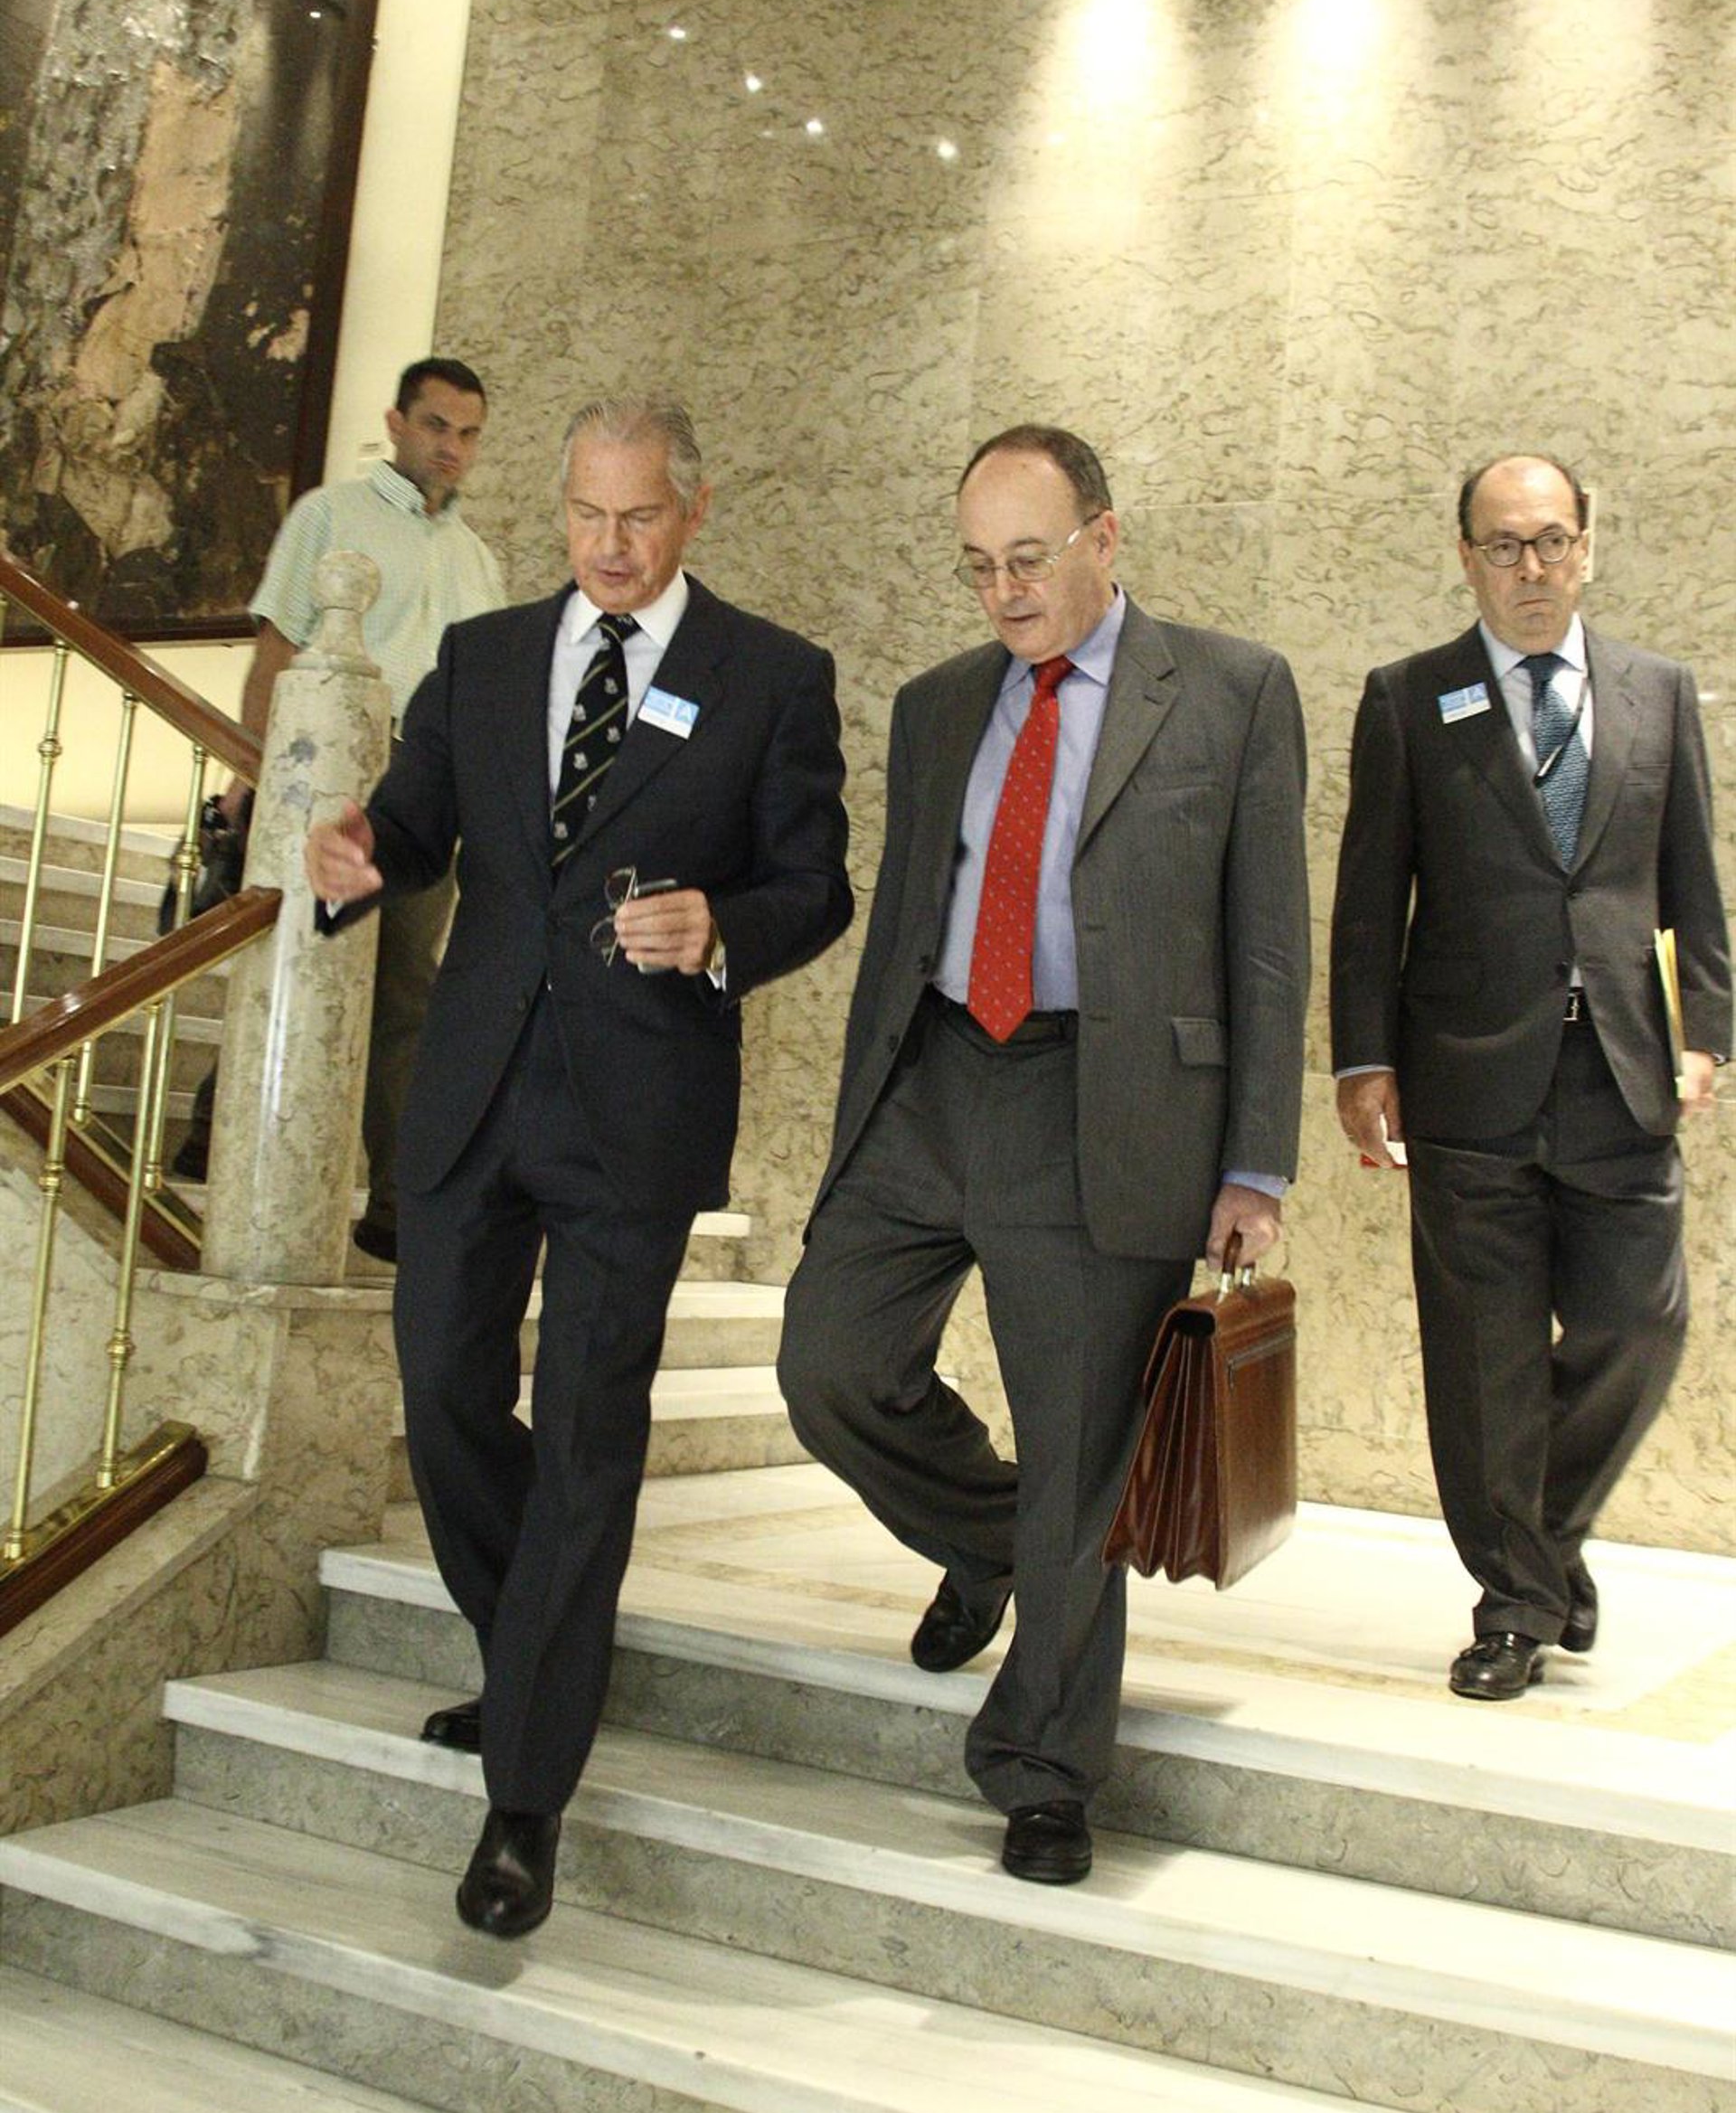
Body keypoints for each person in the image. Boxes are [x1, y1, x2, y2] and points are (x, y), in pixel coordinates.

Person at [307, 397, 852, 1936]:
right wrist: (361, 855)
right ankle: (534, 1651)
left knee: (591, 1429)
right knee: (441, 1391)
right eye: (585, 515)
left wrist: (725, 926)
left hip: (637, 1108)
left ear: (694, 509)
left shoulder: (772, 675)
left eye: (640, 517)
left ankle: (525, 1795)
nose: (609, 547)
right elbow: (415, 826)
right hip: (472, 1094)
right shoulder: (483, 657)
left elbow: (816, 882)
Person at [778, 425, 1308, 1886]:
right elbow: (906, 919)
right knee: (828, 1364)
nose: (1004, 591)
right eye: (978, 566)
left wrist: (1256, 1163)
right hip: (933, 1079)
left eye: (1028, 558)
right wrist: (862, 1104)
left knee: (1081, 1447)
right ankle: (998, 1540)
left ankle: (1045, 1769)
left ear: (1103, 537)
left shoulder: (1234, 689)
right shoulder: (937, 704)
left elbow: (1269, 942)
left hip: (1107, 1101)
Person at [1330, 453, 1730, 1701]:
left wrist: (1709, 1026)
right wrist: (1363, 1056)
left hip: (1621, 1064)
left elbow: (1693, 876)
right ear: (1466, 557)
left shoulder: (1658, 691)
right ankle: (1514, 1602)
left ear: (1588, 545)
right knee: (1483, 1356)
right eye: (1503, 544)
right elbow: (1368, 897)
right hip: (1464, 1074)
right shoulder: (1409, 698)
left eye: (1551, 539)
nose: (1531, 566)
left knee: (1640, 1323)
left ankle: (1541, 1544)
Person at [179, 357, 503, 1263]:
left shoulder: (478, 561)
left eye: (469, 434)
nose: (452, 448)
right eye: (436, 425)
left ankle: (395, 1199)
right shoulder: (330, 515)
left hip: (432, 793)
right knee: (306, 955)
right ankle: (219, 1128)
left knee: (402, 985)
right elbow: (276, 649)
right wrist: (253, 774)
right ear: (397, 423)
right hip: (332, 769)